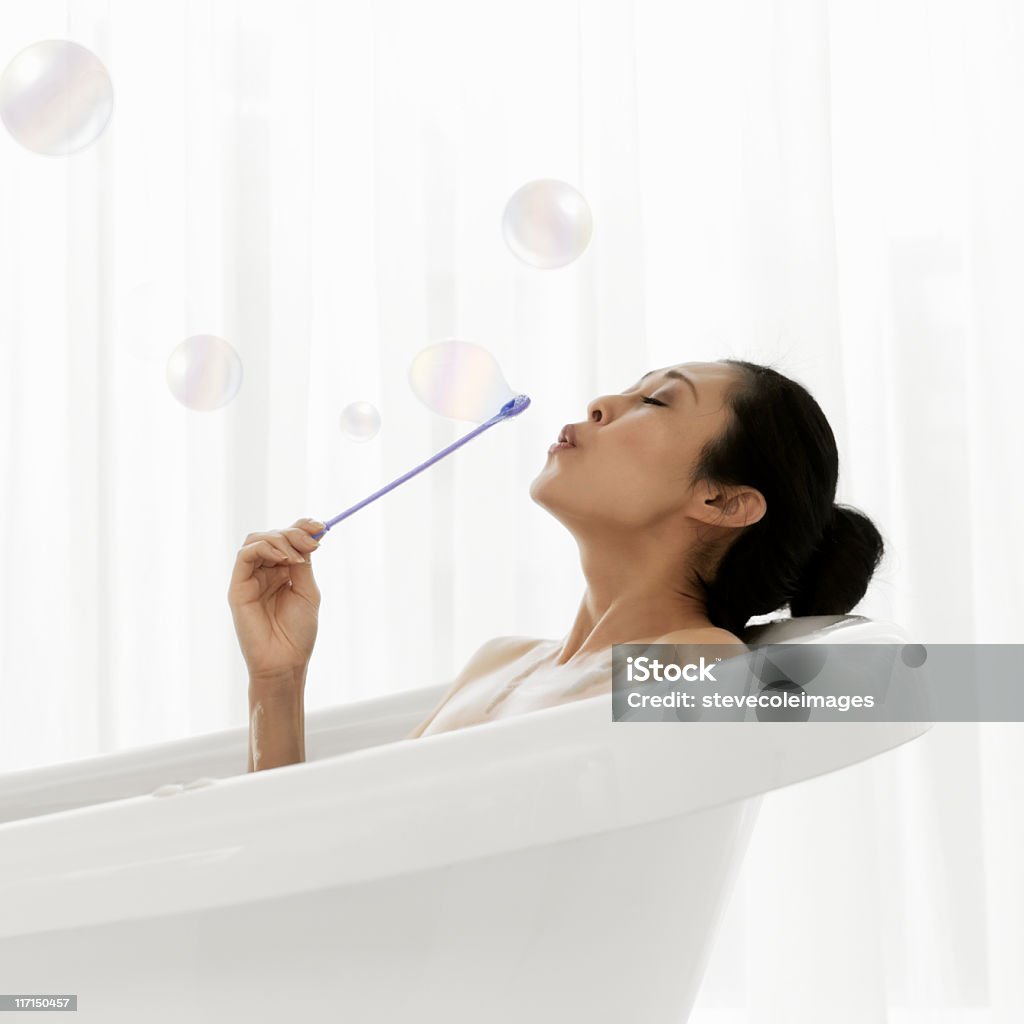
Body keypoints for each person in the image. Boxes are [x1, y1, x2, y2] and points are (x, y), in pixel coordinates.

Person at [229, 358, 884, 771]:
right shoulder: (500, 660)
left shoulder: (696, 657)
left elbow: (876, 687)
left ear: (723, 500)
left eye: (656, 401)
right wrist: (277, 678)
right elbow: (303, 850)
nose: (600, 403)